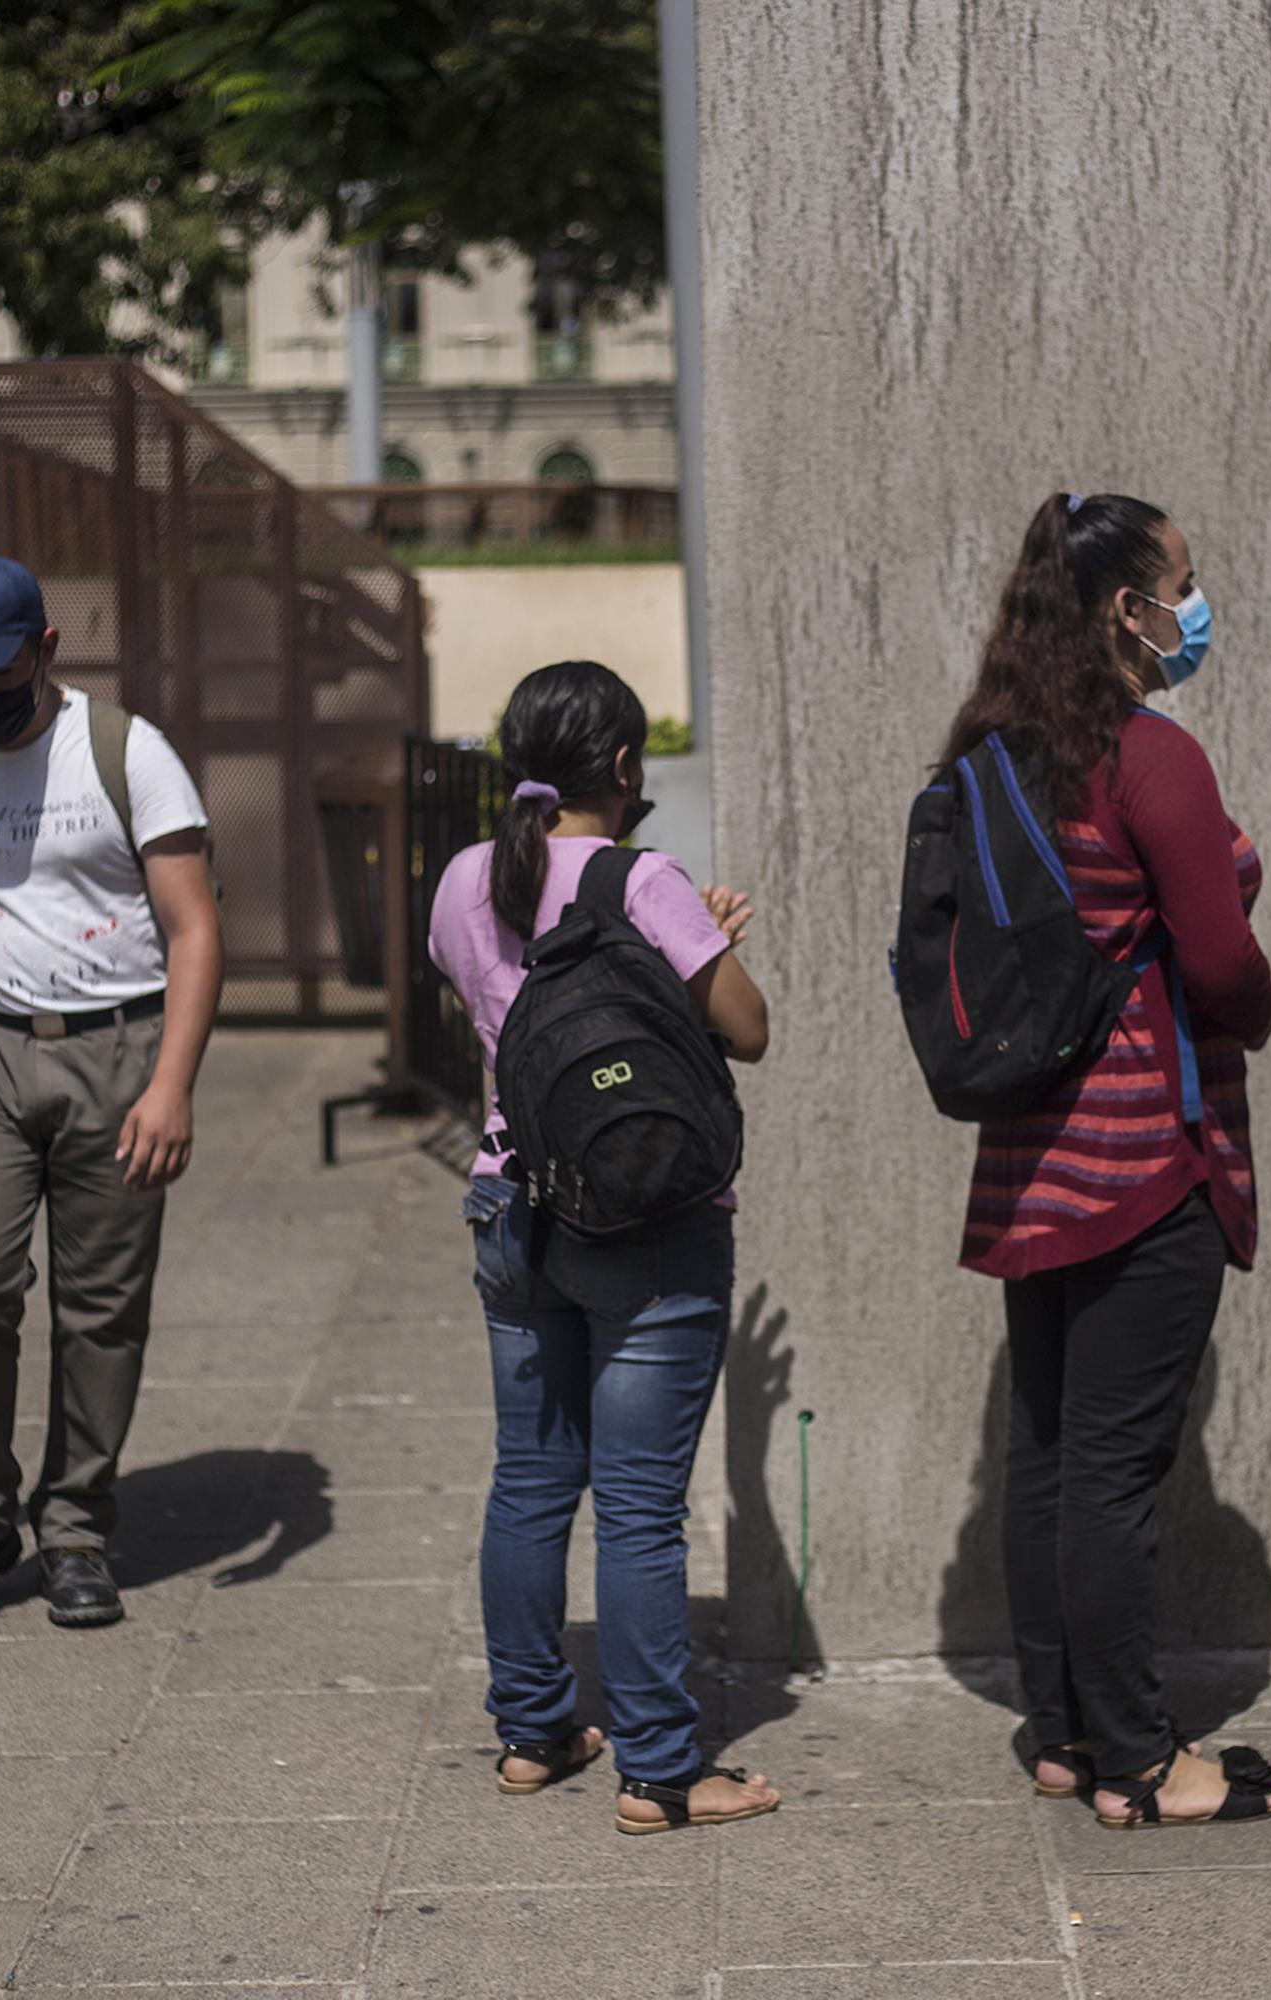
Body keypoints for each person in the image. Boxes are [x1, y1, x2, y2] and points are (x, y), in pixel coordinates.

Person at [944, 492, 1271, 1832]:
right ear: (1123, 611)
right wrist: (1264, 1015)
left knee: (1046, 1456)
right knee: (1116, 1470)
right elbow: (1215, 961)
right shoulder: (1152, 755)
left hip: (1031, 1157)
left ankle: (1062, 1729)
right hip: (1148, 1152)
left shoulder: (998, 753)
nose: (1195, 611)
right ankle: (1143, 1761)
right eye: (1183, 587)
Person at [427, 659, 779, 1836]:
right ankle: (663, 1770)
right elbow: (749, 1028)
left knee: (530, 1478)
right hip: (649, 1225)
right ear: (626, 767)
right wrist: (699, 944)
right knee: (637, 1504)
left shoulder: (465, 878)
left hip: (509, 1205)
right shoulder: (645, 877)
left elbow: (482, 1013)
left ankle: (533, 1732)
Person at [0, 555, 224, 1638]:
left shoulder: (126, 754)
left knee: (102, 1307)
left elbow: (196, 928)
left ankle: (74, 1526)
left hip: (120, 1052)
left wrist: (172, 1084)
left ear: (45, 649)